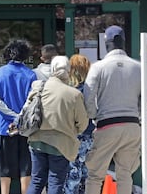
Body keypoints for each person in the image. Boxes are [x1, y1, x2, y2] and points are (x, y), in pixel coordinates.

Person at [83, 25, 141, 194]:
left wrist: (94, 117)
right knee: (125, 173)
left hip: (107, 124)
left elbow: (89, 96)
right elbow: (145, 98)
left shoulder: (98, 67)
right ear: (123, 42)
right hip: (132, 124)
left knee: (95, 175)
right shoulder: (138, 67)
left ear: (106, 43)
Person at [26, 55, 89, 194]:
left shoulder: (39, 87)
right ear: (68, 71)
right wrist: (73, 130)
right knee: (55, 181)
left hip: (37, 141)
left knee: (36, 180)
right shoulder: (74, 94)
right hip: (61, 144)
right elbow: (83, 123)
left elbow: (28, 111)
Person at [0, 39, 37, 194]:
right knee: (26, 167)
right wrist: (20, 117)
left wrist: (12, 117)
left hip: (4, 127)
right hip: (25, 127)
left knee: (5, 168)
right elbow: (33, 100)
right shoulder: (31, 75)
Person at [64, 54, 95, 194]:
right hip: (91, 137)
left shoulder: (69, 92)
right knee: (87, 176)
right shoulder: (92, 90)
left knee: (72, 176)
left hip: (74, 139)